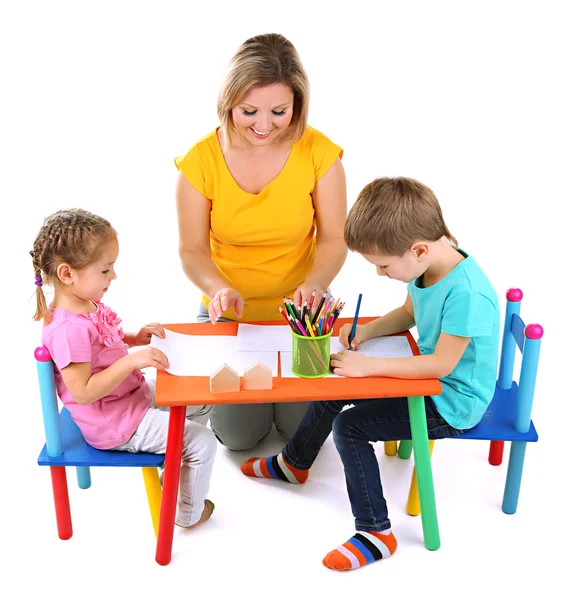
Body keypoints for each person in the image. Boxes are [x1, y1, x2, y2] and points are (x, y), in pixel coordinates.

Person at [240, 177, 500, 570]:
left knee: (350, 427)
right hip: (429, 382)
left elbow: (441, 365)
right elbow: (411, 313)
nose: (379, 274)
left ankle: (376, 531)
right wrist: (368, 331)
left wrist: (373, 366)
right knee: (335, 385)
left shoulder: (467, 294)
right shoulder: (429, 266)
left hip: (452, 403)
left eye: (382, 265)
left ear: (419, 249)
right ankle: (295, 463)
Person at [175, 33, 347, 450]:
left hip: (302, 319)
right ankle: (231, 408)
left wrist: (316, 284)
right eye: (248, 111)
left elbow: (333, 241)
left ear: (297, 106)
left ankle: (275, 399)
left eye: (279, 111)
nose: (264, 125)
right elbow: (192, 250)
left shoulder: (320, 154)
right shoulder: (200, 161)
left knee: (303, 434)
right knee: (239, 437)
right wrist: (218, 289)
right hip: (231, 316)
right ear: (228, 102)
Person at [31, 208, 217, 529]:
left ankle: (173, 465)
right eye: (105, 270)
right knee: (202, 442)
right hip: (116, 424)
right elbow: (83, 391)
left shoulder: (84, 302)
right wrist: (132, 360)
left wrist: (133, 338)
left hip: (131, 398)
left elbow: (103, 344)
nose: (113, 276)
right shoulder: (67, 329)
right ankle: (185, 513)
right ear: (67, 274)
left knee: (201, 394)